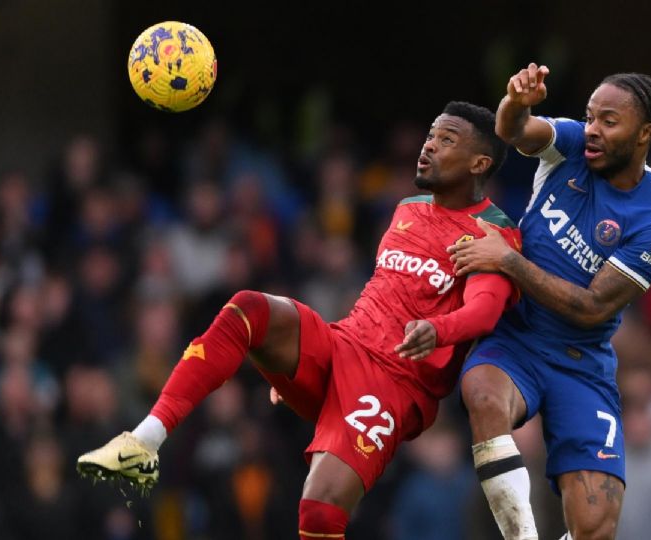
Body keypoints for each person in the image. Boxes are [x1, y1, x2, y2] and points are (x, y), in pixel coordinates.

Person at [77, 101, 521, 539]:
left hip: (395, 381)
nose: (428, 146)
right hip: (342, 344)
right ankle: (143, 442)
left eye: (446, 140)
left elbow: (483, 311)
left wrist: (438, 330)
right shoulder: (408, 208)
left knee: (320, 510)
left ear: (480, 162)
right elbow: (385, 298)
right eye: (429, 135)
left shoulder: (492, 234)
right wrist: (303, 363)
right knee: (249, 309)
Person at [449, 63, 651, 539]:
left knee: (596, 529)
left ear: (644, 133)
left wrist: (509, 261)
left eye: (609, 121)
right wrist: (517, 100)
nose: (593, 129)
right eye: (590, 116)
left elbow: (591, 306)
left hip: (580, 362)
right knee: (483, 396)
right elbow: (512, 130)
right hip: (516, 335)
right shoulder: (574, 144)